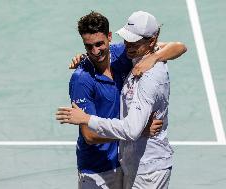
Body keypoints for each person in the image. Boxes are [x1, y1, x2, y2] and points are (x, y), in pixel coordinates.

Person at [56, 11, 186, 189]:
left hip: (123, 162)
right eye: (89, 47)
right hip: (97, 170)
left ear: (109, 37)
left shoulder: (124, 53)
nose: (95, 51)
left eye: (100, 44)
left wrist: (154, 57)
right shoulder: (81, 80)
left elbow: (178, 47)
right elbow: (89, 135)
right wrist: (137, 130)